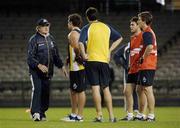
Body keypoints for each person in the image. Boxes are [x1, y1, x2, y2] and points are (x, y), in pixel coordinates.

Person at [79, 7, 123, 122]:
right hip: (104, 61)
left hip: (92, 60)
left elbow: (80, 43)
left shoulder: (86, 28)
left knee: (95, 89)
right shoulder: (106, 27)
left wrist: (84, 55)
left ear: (87, 17)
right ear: (97, 16)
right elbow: (119, 38)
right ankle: (112, 116)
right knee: (106, 89)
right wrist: (109, 50)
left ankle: (99, 116)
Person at [27, 18, 68, 121]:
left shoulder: (51, 39)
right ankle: (35, 113)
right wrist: (39, 65)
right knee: (37, 90)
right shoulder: (34, 39)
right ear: (38, 28)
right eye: (44, 26)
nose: (46, 27)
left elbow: (56, 56)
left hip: (48, 72)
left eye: (47, 25)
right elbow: (30, 57)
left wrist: (62, 66)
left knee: (46, 92)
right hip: (36, 72)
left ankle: (42, 112)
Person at [61, 13, 86, 122]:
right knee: (73, 91)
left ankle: (79, 116)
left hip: (77, 67)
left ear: (71, 23)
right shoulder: (81, 32)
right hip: (75, 67)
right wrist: (69, 58)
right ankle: (73, 114)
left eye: (68, 22)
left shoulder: (73, 33)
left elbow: (76, 46)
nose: (67, 24)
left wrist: (79, 56)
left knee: (79, 91)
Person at [134, 11, 157, 121]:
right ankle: (141, 114)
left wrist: (142, 57)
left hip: (147, 65)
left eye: (139, 19)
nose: (137, 21)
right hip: (144, 66)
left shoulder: (147, 32)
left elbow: (149, 47)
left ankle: (151, 115)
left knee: (147, 89)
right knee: (139, 89)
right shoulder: (146, 32)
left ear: (143, 21)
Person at [119, 16, 142, 121]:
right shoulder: (132, 38)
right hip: (132, 69)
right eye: (130, 24)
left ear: (138, 25)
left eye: (132, 24)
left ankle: (142, 114)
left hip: (141, 68)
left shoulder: (144, 36)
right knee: (127, 91)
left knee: (142, 91)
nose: (130, 26)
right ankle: (130, 114)